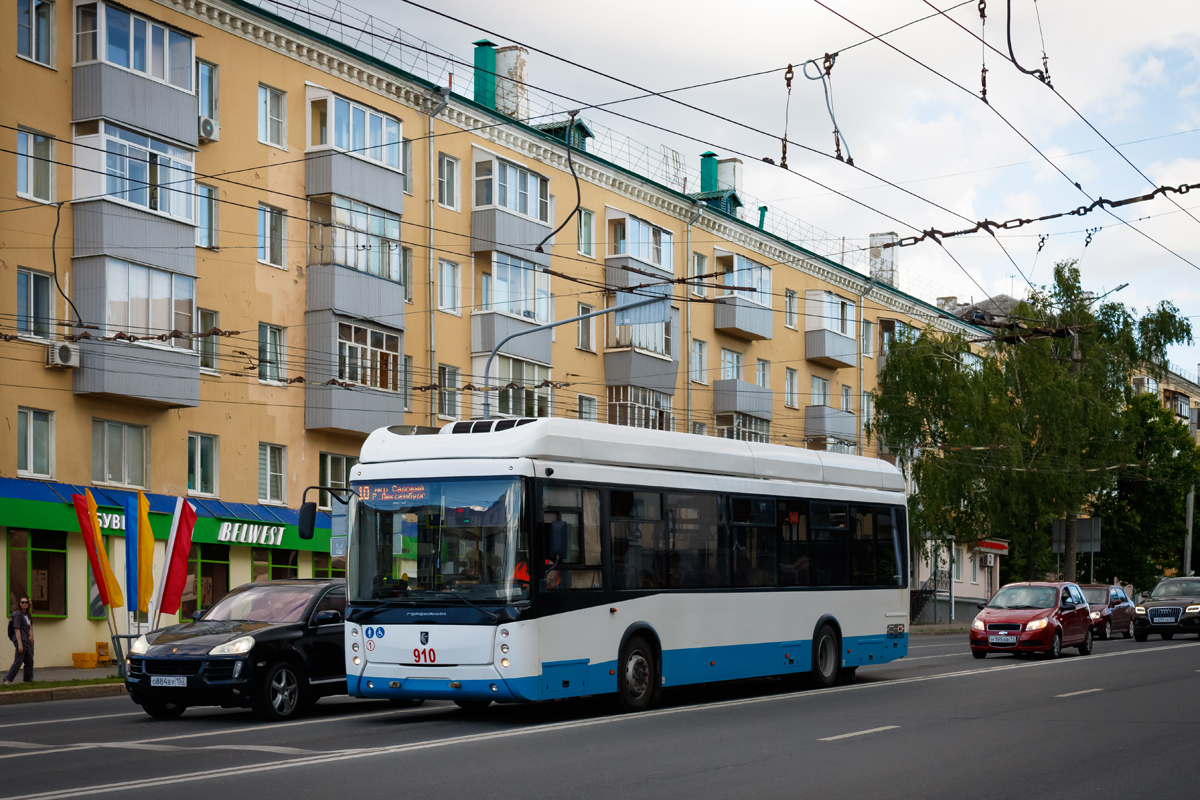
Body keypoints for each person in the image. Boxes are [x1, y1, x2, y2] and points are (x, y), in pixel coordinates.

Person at [5, 596, 33, 685]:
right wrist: (20, 644)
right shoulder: (18, 614)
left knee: (29, 661)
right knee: (18, 661)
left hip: (25, 640)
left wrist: (30, 636)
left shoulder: (26, 615)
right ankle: (8, 680)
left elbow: (29, 626)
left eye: (26, 602)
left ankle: (27, 681)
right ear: (19, 604)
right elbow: (17, 629)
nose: (25, 604)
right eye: (22, 602)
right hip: (20, 640)